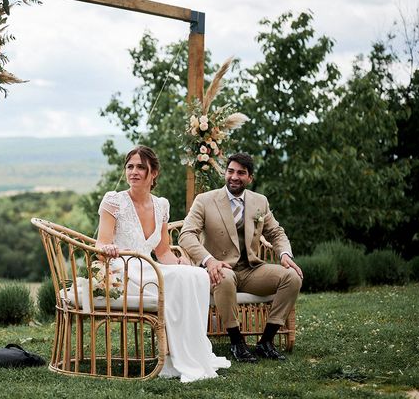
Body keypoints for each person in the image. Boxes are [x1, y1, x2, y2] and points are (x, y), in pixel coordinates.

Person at [97, 146, 230, 382]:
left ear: (154, 172)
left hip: (149, 267)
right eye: (130, 166)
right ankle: (176, 356)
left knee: (195, 275)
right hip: (124, 269)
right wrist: (108, 249)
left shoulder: (161, 205)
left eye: (140, 167)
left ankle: (191, 351)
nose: (134, 172)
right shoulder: (114, 201)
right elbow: (100, 246)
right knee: (178, 278)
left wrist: (181, 264)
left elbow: (163, 251)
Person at [179, 152, 303, 362]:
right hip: (219, 269)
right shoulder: (205, 200)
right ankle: (237, 343)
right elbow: (186, 234)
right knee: (224, 278)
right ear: (225, 173)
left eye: (241, 173)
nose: (234, 176)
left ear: (249, 178)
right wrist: (209, 261)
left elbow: (276, 232)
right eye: (230, 171)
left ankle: (266, 342)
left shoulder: (259, 201)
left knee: (292, 277)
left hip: (251, 269)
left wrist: (284, 254)